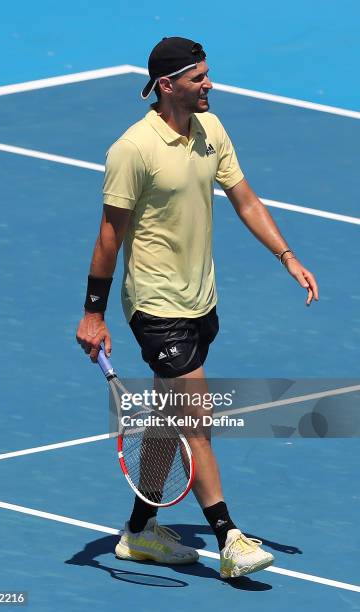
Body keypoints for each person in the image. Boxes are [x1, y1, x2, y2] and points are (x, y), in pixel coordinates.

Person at [76, 37, 319, 579]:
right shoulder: (132, 150)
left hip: (201, 298)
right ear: (168, 86)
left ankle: (140, 530)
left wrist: (287, 256)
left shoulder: (212, 130)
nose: (209, 84)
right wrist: (93, 313)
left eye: (208, 75)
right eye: (198, 78)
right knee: (196, 420)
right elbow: (109, 236)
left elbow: (246, 199)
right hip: (155, 303)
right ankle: (229, 536)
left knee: (166, 418)